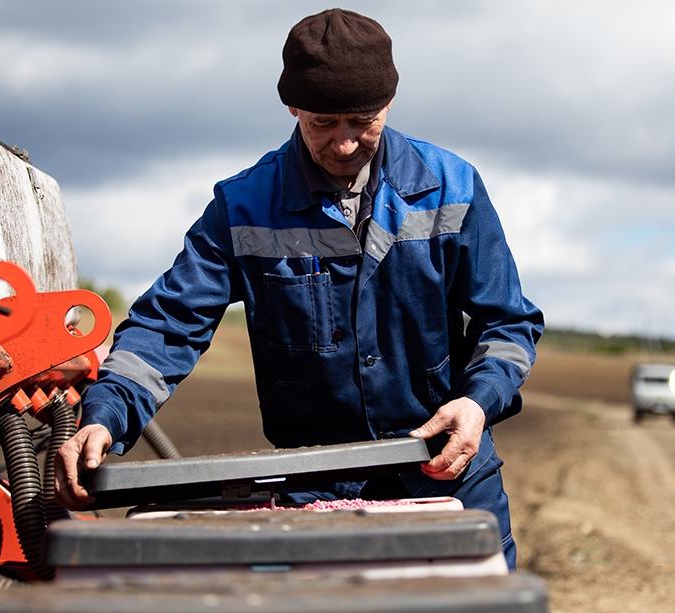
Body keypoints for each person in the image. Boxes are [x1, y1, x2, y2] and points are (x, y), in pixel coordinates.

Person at [55, 8, 543, 570]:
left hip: (449, 472)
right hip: (316, 488)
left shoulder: (452, 189)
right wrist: (104, 414)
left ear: (388, 104)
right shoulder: (243, 208)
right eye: (322, 123)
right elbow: (169, 325)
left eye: (361, 121)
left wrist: (477, 403)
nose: (342, 143)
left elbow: (506, 323)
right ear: (292, 108)